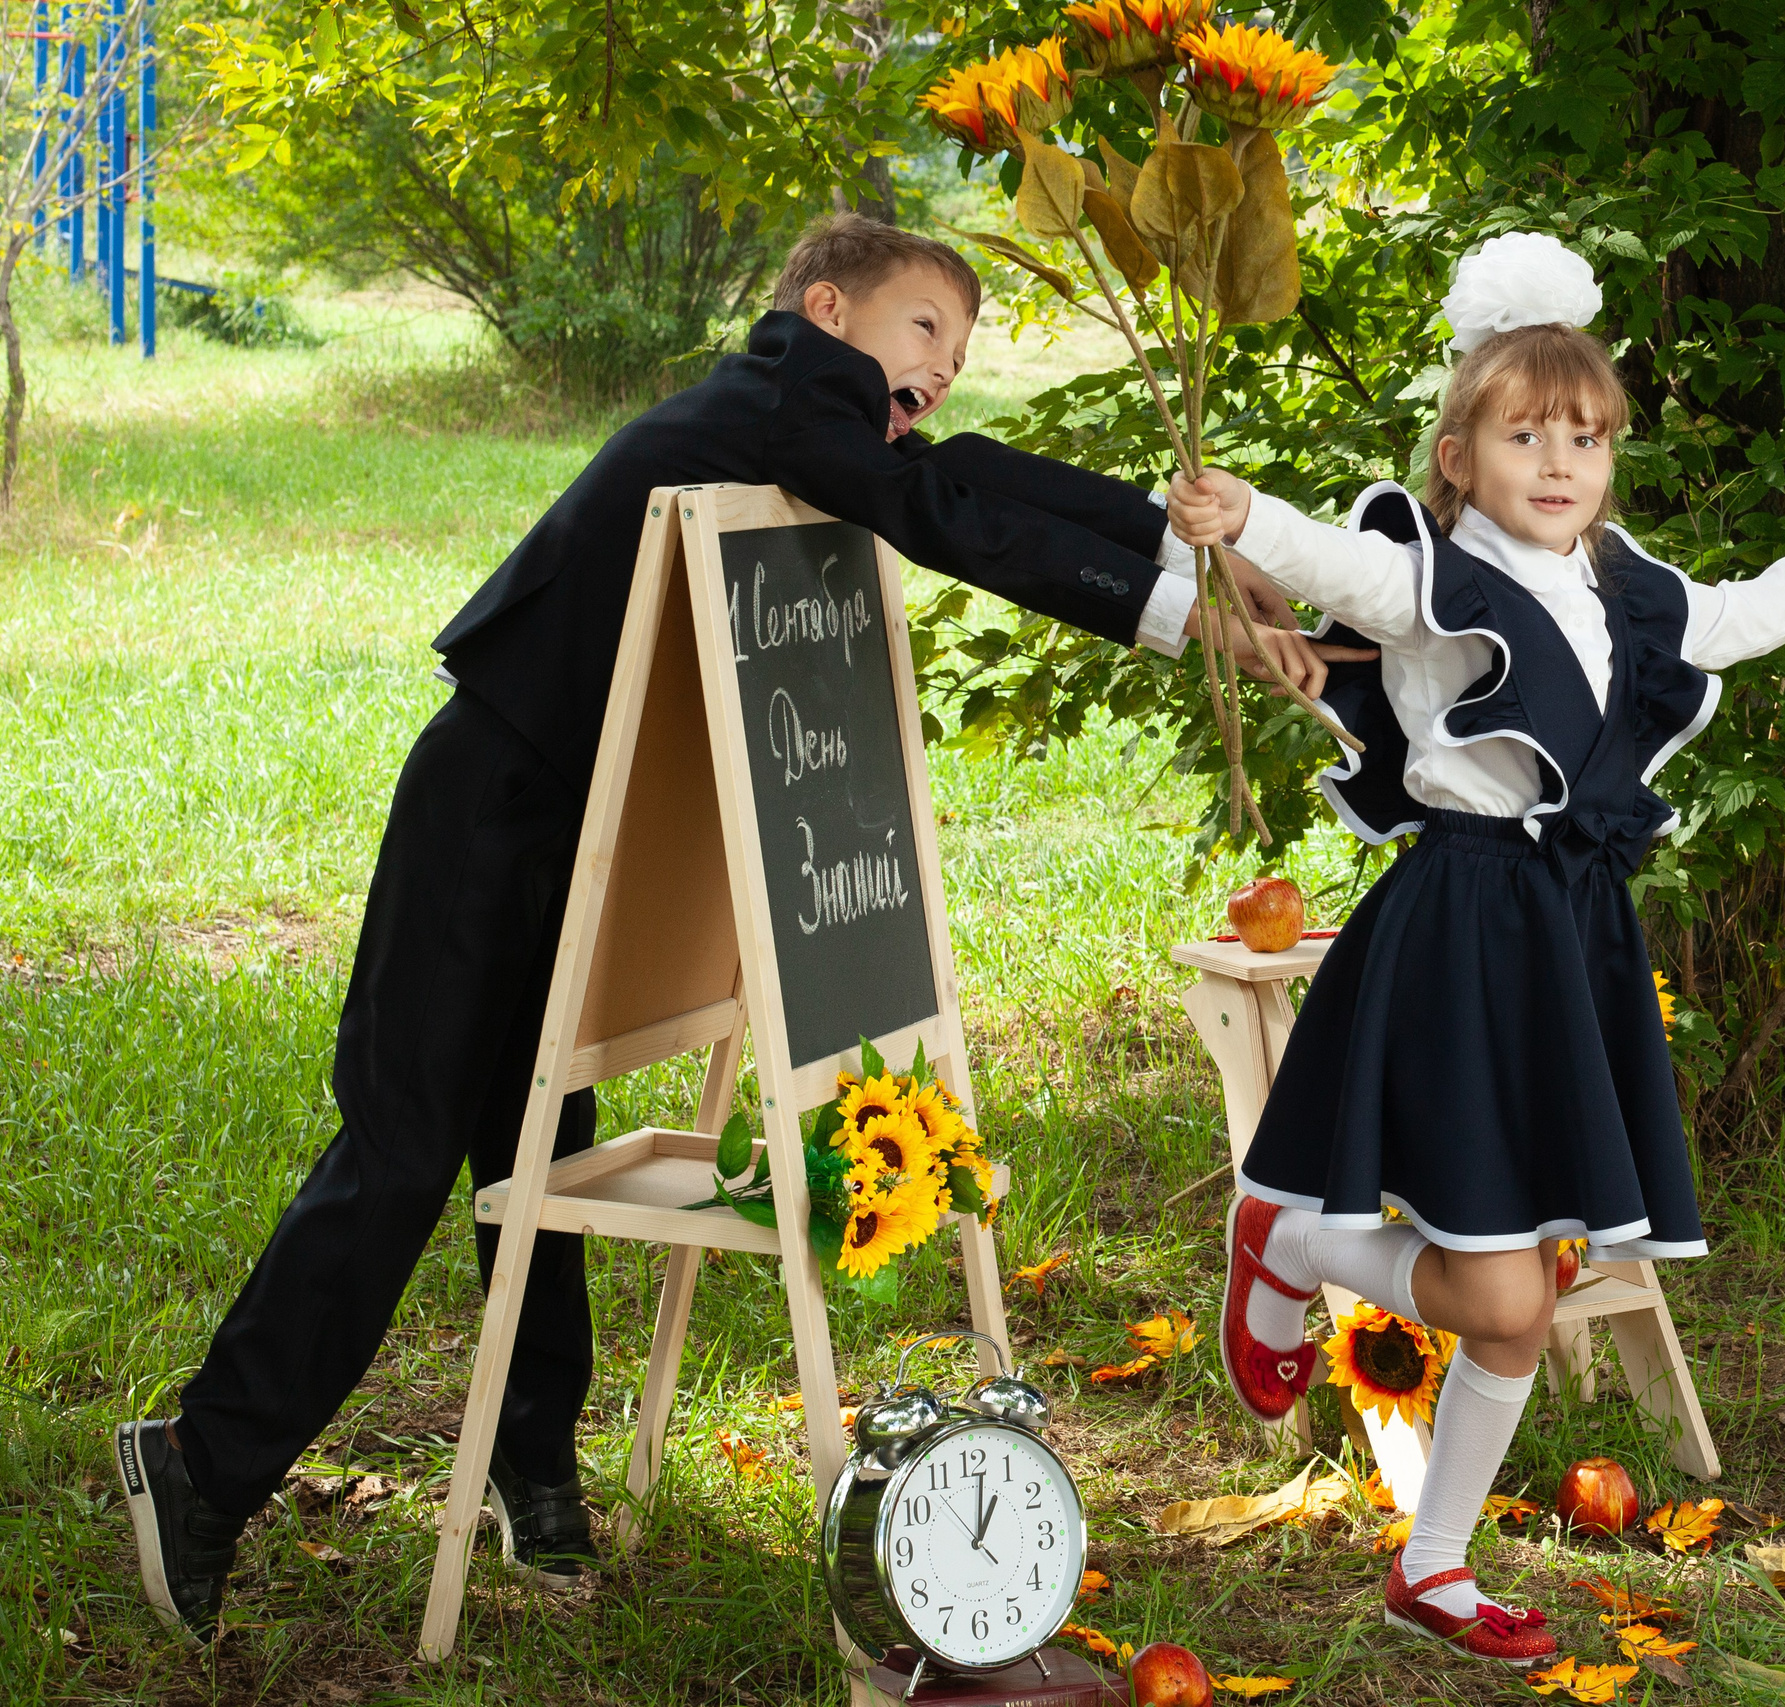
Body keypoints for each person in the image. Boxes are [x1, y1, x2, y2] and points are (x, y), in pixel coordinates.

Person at [114, 214, 1349, 1646]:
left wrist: (1183, 547)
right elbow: (940, 513)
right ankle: (202, 1463)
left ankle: (530, 1462)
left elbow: (967, 476)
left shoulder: (821, 420)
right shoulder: (786, 394)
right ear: (824, 309)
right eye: (924, 329)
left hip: (581, 821)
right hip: (489, 798)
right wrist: (1182, 611)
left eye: (959, 344)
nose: (943, 367)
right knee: (400, 1147)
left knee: (545, 1146)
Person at [1172, 231, 1785, 1666]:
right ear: (1463, 454)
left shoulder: (1624, 583)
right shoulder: (1432, 578)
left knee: (1516, 1305)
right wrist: (1244, 511)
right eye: (1526, 435)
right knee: (1506, 1289)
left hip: (1570, 937)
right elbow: (1340, 567)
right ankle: (1291, 1234)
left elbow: (1742, 618)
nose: (1561, 461)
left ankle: (1433, 1566)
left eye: (1586, 436)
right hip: (1462, 933)